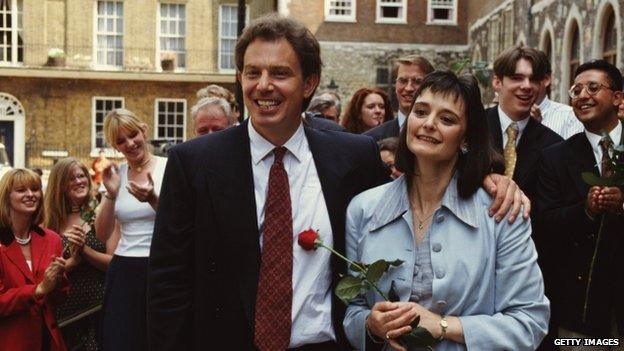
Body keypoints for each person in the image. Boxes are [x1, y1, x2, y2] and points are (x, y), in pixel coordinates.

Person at [147, 14, 529, 351]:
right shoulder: (194, 162)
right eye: (252, 72)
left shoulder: (353, 157)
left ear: (309, 82)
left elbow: (420, 187)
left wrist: (487, 178)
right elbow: (167, 285)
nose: (263, 85)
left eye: (280, 73)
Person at [344, 71, 549, 351]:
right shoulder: (362, 209)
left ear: (466, 138)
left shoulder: (501, 212)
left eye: (447, 119)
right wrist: (370, 324)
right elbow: (352, 310)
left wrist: (444, 326)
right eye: (421, 111)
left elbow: (529, 322)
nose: (429, 124)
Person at [536, 59, 624, 348]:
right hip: (579, 315)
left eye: (593, 87)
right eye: (576, 90)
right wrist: (585, 210)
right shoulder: (555, 157)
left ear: (618, 97)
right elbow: (544, 225)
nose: (582, 95)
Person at [95, 109, 167, 351]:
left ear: (144, 131)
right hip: (124, 268)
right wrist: (112, 195)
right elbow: (102, 234)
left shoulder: (169, 167)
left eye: (133, 134)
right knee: (121, 340)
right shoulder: (117, 175)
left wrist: (152, 198)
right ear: (115, 147)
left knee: (156, 340)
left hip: (161, 266)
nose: (130, 143)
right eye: (120, 141)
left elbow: (180, 223)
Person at [44, 158, 118, 351]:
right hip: (64, 315)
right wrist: (74, 262)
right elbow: (42, 273)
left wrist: (85, 250)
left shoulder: (101, 211)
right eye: (71, 178)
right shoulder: (48, 219)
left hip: (100, 309)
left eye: (81, 176)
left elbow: (114, 264)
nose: (79, 181)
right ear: (59, 184)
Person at [0, 168, 69, 351]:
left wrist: (58, 279)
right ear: (6, 197)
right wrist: (38, 289)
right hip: (11, 341)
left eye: (35, 189)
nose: (31, 195)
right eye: (21, 190)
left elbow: (59, 296)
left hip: (48, 340)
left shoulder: (52, 239)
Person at [487, 46, 563, 201]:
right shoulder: (471, 129)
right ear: (497, 82)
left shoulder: (553, 145)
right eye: (517, 78)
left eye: (533, 79)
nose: (527, 86)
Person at [365, 55, 434, 141]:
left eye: (417, 81)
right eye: (403, 81)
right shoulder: (371, 140)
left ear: (430, 86)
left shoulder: (437, 136)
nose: (409, 88)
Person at [529, 50, 584, 139]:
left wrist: (537, 130)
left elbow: (570, 152)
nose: (524, 85)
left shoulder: (569, 117)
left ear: (546, 80)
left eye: (531, 79)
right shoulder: (505, 115)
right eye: (517, 78)